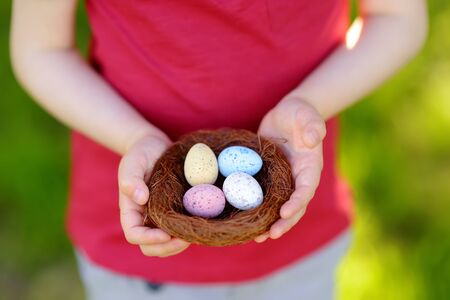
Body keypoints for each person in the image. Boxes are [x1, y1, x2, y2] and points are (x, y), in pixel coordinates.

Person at [10, 0, 427, 299]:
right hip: (143, 241)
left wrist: (311, 104)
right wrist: (132, 137)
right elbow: (41, 47)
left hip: (297, 230)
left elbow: (397, 16)